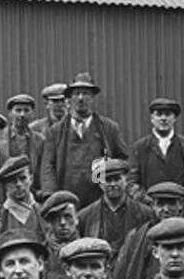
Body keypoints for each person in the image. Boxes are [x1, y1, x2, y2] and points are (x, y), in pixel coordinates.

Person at [39, 72, 128, 208]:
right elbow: (48, 166)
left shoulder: (109, 128)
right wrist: (52, 196)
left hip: (100, 202)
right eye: (76, 93)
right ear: (70, 99)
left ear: (92, 97)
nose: (81, 98)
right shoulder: (56, 132)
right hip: (67, 202)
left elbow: (124, 160)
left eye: (86, 93)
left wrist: (110, 172)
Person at [111, 181, 184, 279]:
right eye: (161, 204)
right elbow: (121, 275)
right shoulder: (137, 236)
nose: (166, 210)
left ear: (180, 205)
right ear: (153, 206)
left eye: (171, 204)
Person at [76, 157, 153, 261]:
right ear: (100, 184)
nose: (112, 184)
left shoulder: (145, 214)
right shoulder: (84, 217)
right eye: (107, 180)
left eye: (117, 179)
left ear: (126, 181)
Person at [126, 98, 184, 195]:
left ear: (174, 118)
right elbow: (131, 182)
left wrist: (183, 202)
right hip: (149, 207)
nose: (163, 118)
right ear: (152, 119)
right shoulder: (139, 147)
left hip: (180, 206)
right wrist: (147, 202)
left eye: (167, 114)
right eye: (158, 114)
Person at [2, 93, 45, 177]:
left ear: (32, 114)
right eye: (18, 110)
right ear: (10, 113)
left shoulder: (40, 140)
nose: (22, 114)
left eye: (26, 110)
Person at [0, 155, 43, 233]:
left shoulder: (41, 211)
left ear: (31, 180)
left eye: (23, 178)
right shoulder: (2, 215)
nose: (18, 184)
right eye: (12, 181)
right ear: (6, 185)